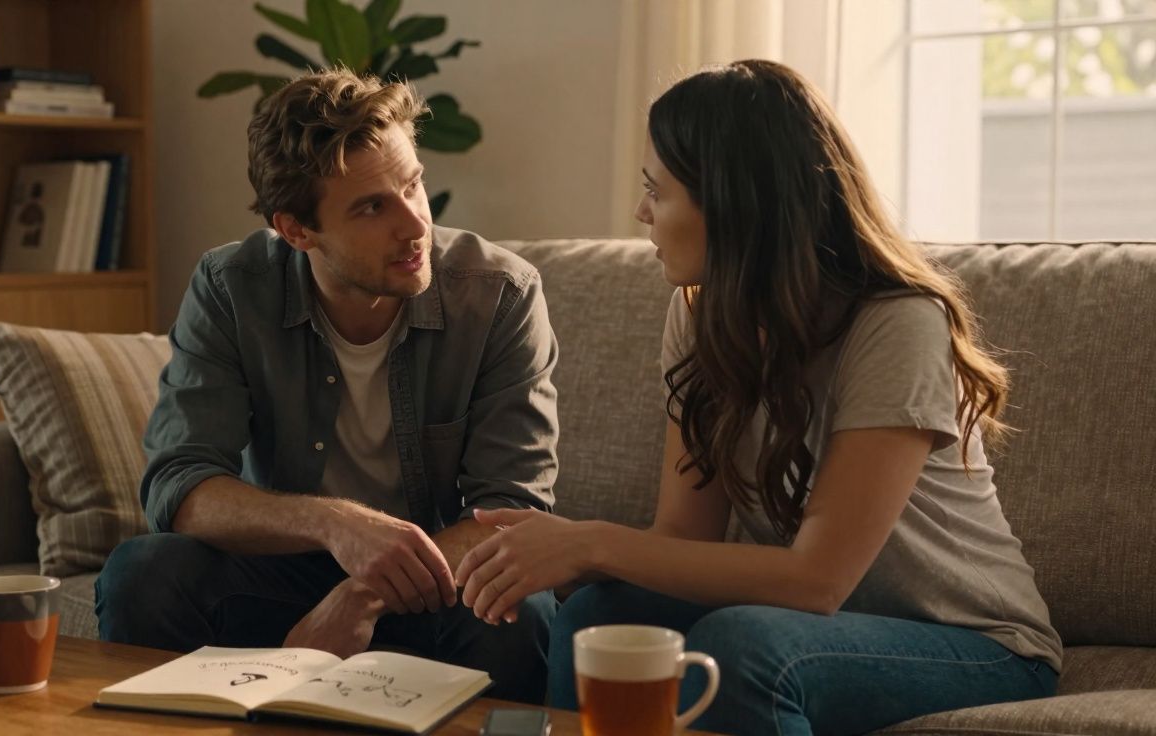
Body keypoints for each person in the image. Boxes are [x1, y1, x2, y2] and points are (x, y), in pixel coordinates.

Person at [453, 60, 1061, 733]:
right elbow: (684, 538)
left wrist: (589, 542)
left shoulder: (898, 323)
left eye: (659, 190)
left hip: (976, 643)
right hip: (815, 622)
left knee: (743, 648)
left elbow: (817, 580)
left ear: (737, 205)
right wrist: (572, 561)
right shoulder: (698, 312)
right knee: (599, 617)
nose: (640, 212)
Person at [94, 68, 559, 705]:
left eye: (413, 184)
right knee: (141, 575)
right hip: (279, 572)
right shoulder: (232, 289)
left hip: (434, 585)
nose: (415, 224)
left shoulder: (500, 296)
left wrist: (362, 592)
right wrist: (336, 526)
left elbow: (513, 509)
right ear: (296, 230)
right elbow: (180, 485)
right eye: (373, 207)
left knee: (522, 612)